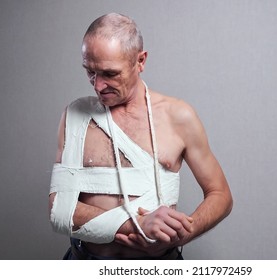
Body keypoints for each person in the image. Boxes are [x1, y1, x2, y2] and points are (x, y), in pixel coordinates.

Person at [49, 12, 232, 260]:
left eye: (109, 74)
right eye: (90, 72)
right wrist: (134, 224)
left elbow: (220, 195)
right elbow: (59, 209)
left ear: (140, 61)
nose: (97, 85)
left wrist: (183, 234)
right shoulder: (76, 116)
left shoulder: (177, 117)